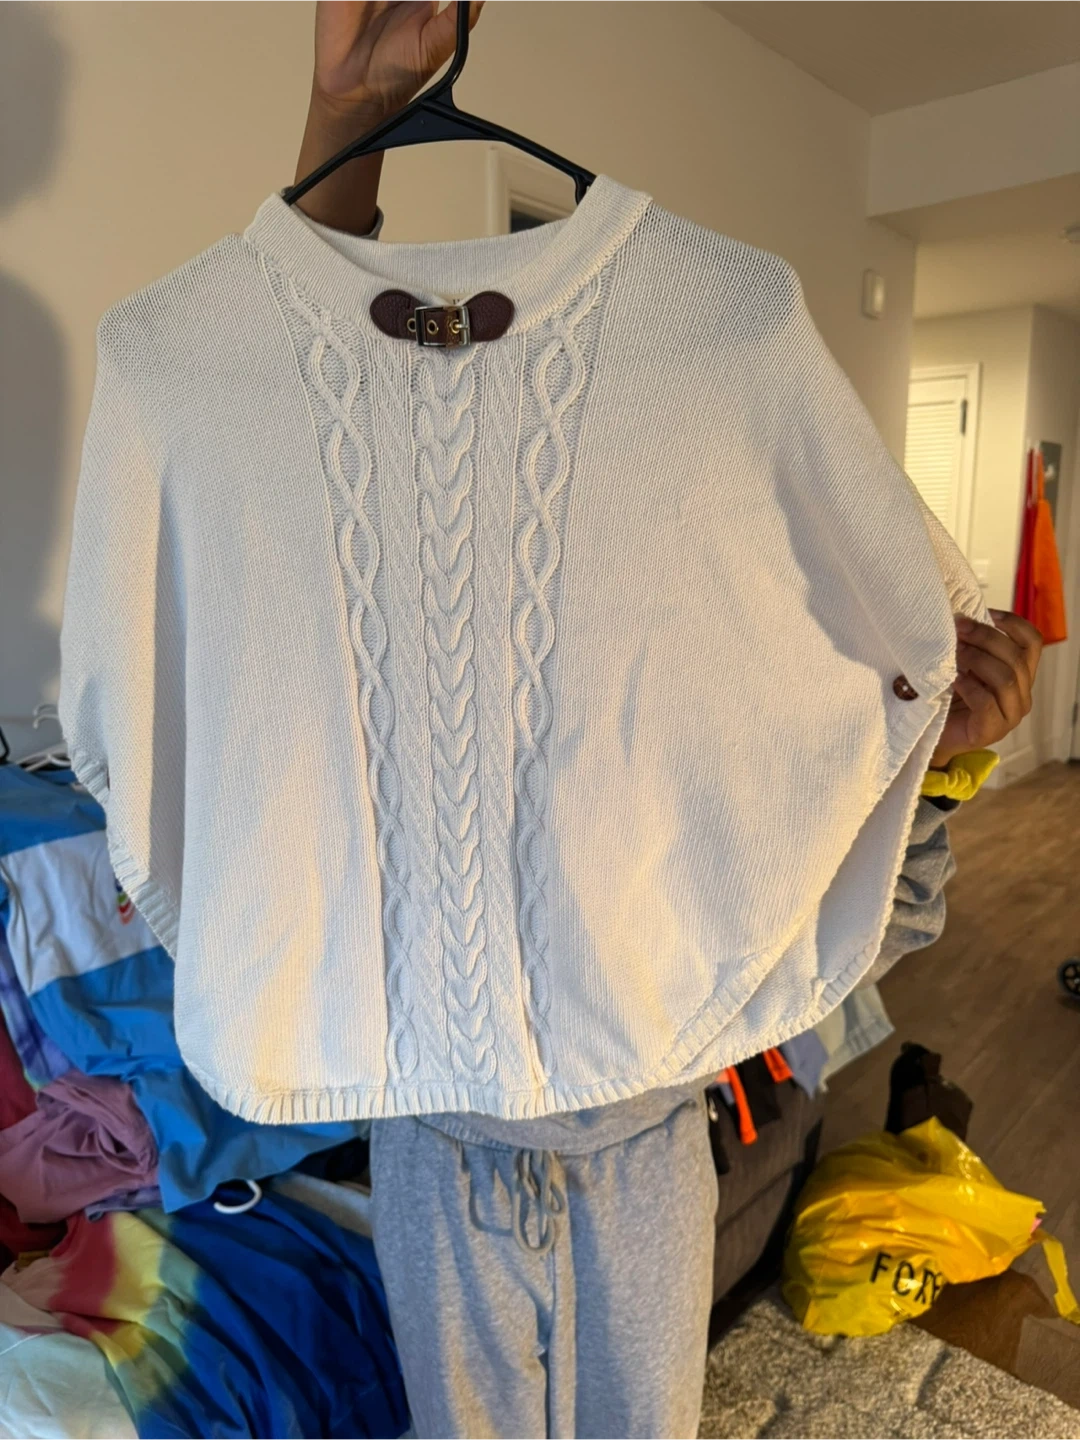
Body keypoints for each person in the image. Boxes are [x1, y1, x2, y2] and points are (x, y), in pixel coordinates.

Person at [289, 4, 1045, 1435]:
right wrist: (345, 128)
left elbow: (858, 925)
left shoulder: (705, 635)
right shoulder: (385, 600)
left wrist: (927, 768)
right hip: (436, 1129)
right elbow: (289, 377)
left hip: (640, 1141)